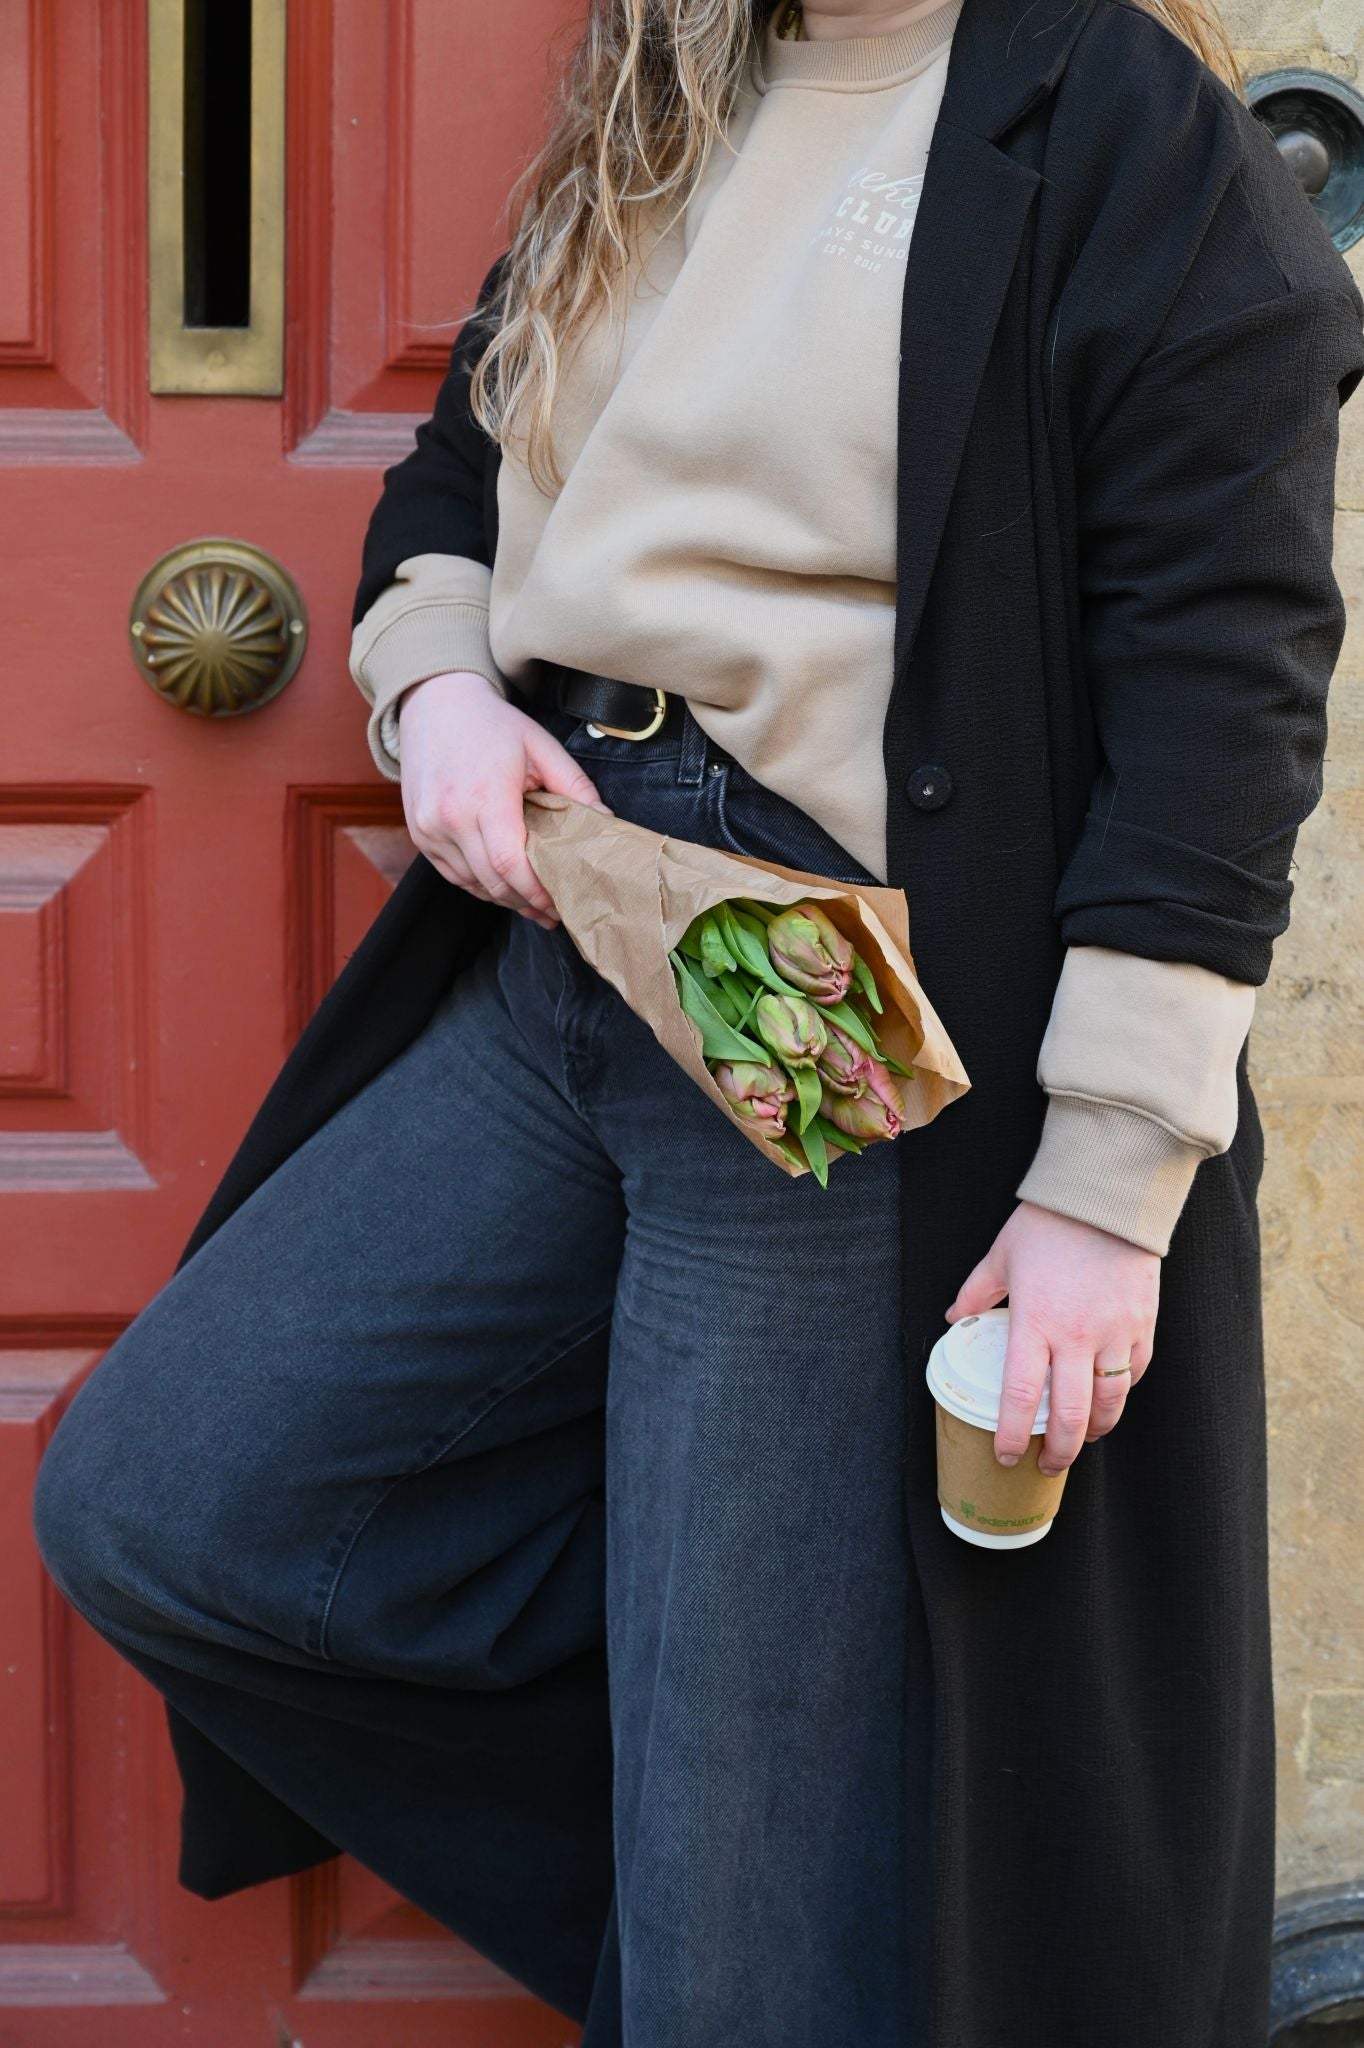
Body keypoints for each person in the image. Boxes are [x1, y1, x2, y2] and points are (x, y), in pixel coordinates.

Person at [31, 0, 1364, 2041]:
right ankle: (795, 1855)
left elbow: (1220, 695)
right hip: (579, 918)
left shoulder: (1118, 136)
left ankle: (780, 1882)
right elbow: (456, 477)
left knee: (749, 1928)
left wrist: (1110, 1184)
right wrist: (443, 685)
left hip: (822, 989)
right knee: (180, 1500)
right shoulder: (671, 93)